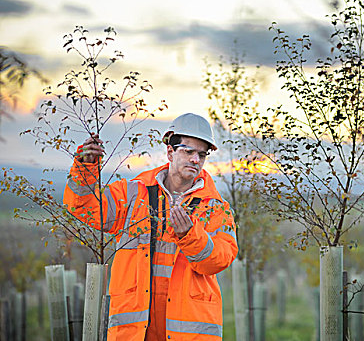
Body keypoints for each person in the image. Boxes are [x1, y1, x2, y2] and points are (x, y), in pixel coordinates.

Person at [64, 113, 238, 341]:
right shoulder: (134, 194)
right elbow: (86, 208)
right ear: (170, 152)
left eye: (202, 155)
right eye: (188, 151)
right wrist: (86, 168)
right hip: (134, 330)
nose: (196, 160)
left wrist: (190, 236)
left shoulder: (216, 208)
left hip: (187, 334)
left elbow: (219, 260)